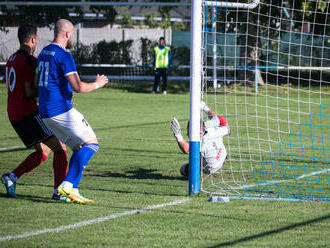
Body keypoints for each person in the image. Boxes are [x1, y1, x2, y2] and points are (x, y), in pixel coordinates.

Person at [37, 19, 108, 204]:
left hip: (45, 113)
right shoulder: (63, 55)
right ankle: (67, 185)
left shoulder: (44, 52)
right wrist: (98, 84)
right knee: (92, 143)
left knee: (78, 147)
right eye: (72, 35)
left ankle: (72, 190)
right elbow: (78, 87)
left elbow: (38, 81)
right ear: (67, 34)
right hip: (60, 110)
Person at [1, 24, 69, 201]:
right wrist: (50, 93)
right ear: (33, 39)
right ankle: (59, 192)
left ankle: (12, 177)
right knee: (60, 149)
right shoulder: (29, 62)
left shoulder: (11, 59)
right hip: (28, 113)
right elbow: (31, 92)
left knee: (43, 151)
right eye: (37, 39)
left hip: (13, 114)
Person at [170, 101, 230, 178]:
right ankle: (220, 158)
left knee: (183, 169)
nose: (187, 134)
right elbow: (222, 124)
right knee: (219, 120)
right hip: (222, 155)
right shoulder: (212, 128)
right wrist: (205, 108)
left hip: (210, 168)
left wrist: (178, 135)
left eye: (188, 131)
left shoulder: (200, 142)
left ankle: (199, 170)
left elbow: (186, 149)